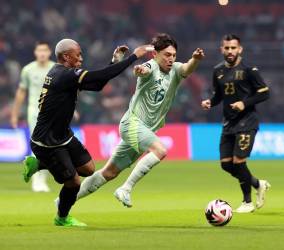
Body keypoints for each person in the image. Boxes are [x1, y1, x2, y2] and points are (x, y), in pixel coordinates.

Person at [24, 38, 153, 226]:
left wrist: (115, 61)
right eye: (78, 54)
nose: (81, 58)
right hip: (47, 142)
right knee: (74, 183)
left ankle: (39, 164)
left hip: (63, 135)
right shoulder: (64, 75)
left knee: (89, 169)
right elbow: (97, 77)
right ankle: (61, 218)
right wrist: (134, 56)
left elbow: (97, 84)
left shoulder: (65, 73)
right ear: (66, 56)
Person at [74, 33, 205, 207]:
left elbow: (187, 69)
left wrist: (195, 59)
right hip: (132, 124)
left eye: (173, 55)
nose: (171, 59)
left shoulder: (175, 69)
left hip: (144, 130)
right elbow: (144, 70)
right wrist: (140, 71)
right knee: (160, 150)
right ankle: (125, 189)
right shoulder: (150, 66)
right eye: (166, 55)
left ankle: (65, 201)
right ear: (155, 54)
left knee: (109, 172)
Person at [201, 34, 271, 213]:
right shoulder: (217, 70)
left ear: (240, 49)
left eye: (233, 48)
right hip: (228, 123)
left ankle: (247, 202)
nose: (230, 51)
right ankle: (257, 183)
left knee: (239, 161)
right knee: (226, 164)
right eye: (227, 48)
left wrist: (244, 103)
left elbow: (264, 93)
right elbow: (218, 95)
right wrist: (210, 101)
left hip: (247, 121)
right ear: (221, 50)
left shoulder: (249, 69)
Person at [11, 41, 55, 192]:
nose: (42, 53)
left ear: (49, 52)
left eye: (45, 50)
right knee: (38, 144)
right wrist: (15, 114)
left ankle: (42, 180)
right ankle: (37, 180)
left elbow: (65, 90)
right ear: (35, 52)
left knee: (51, 146)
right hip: (35, 112)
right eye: (39, 50)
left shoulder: (55, 68)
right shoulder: (28, 70)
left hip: (53, 113)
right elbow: (21, 92)